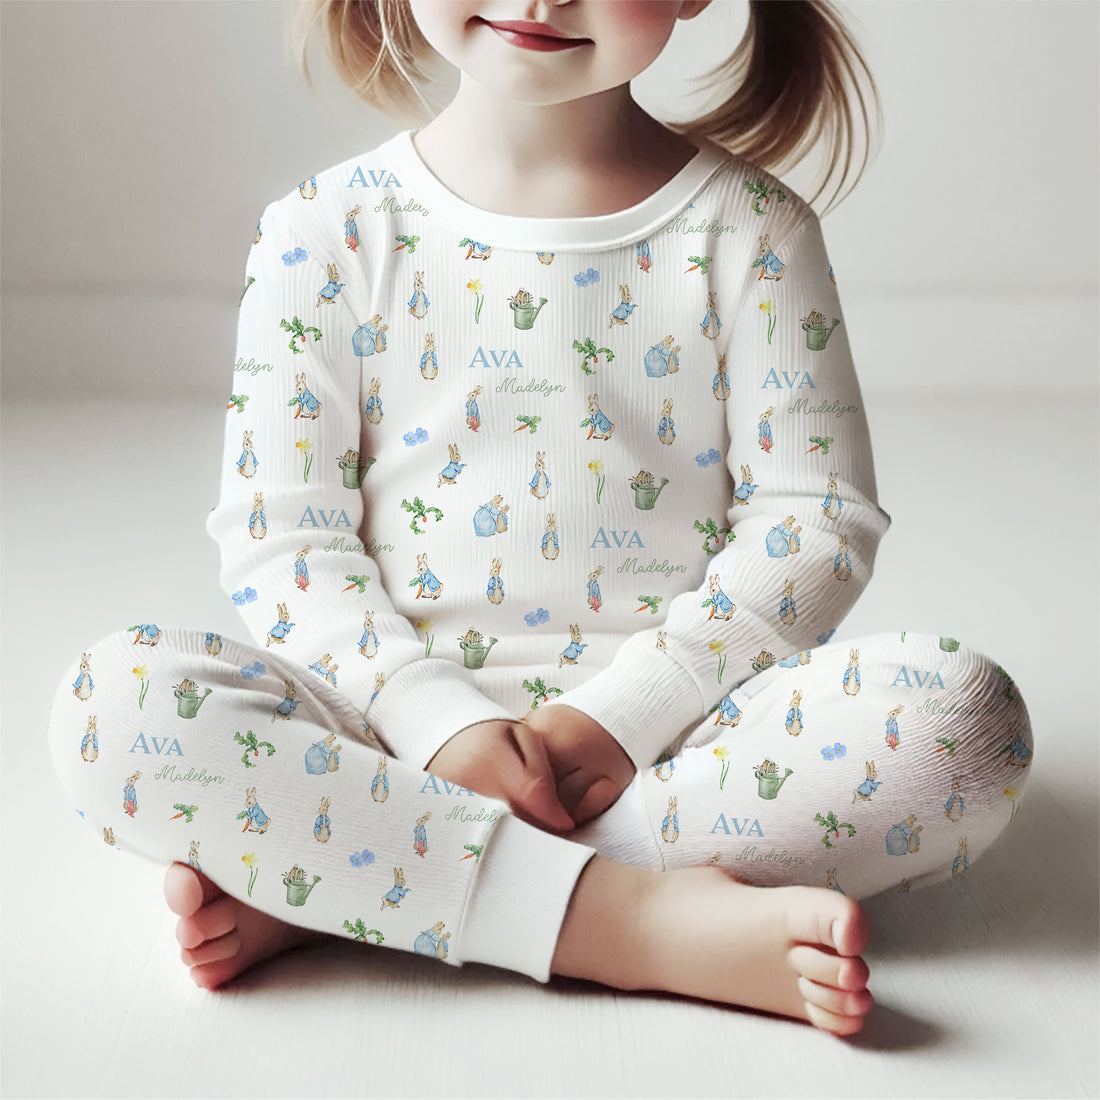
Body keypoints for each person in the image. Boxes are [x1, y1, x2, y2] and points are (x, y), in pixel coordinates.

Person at [47, 0, 1033, 1039]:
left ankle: (365, 878)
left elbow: (814, 523)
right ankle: (633, 920)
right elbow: (284, 540)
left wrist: (622, 713)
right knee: (112, 708)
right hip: (380, 735)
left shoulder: (751, 230)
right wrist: (441, 725)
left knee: (960, 721)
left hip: (679, 741)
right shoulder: (322, 231)